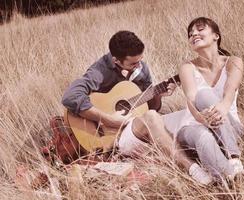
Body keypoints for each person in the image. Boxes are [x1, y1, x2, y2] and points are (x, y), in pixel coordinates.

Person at [62, 30, 212, 185]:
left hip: (135, 129)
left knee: (187, 115)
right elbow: (70, 96)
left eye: (140, 60)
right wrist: (109, 120)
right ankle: (192, 169)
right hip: (112, 138)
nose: (139, 65)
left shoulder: (141, 69)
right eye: (133, 63)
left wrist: (158, 95)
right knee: (153, 117)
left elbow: (150, 107)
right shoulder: (99, 71)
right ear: (116, 61)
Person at [163, 17, 244, 182]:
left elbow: (229, 91)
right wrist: (201, 118)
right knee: (203, 131)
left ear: (216, 35)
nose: (194, 34)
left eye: (200, 29)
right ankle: (229, 176)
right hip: (195, 125)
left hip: (229, 126)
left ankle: (233, 157)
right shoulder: (187, 67)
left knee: (205, 95)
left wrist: (222, 107)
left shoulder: (233, 62)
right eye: (190, 33)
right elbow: (191, 99)